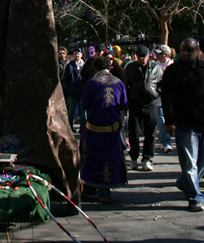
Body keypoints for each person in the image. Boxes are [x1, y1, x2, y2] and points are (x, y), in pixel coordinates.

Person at [161, 37, 204, 212]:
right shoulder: (173, 71)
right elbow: (167, 98)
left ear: (197, 51)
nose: (186, 53)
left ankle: (184, 182)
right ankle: (195, 197)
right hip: (185, 125)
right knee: (189, 163)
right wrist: (169, 122)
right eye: (183, 49)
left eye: (190, 50)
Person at [80, 55, 128, 203]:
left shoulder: (91, 83)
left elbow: (84, 104)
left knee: (90, 158)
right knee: (109, 159)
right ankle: (105, 193)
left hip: (93, 129)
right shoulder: (119, 83)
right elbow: (124, 106)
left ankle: (89, 187)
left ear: (95, 68)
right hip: (112, 130)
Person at [124, 44, 164, 171]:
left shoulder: (156, 68)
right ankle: (134, 157)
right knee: (134, 132)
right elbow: (124, 85)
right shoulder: (130, 68)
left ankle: (147, 158)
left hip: (150, 103)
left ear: (149, 56)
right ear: (136, 56)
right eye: (140, 56)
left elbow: (161, 84)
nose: (142, 59)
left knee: (150, 132)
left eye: (144, 56)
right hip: (135, 102)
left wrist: (156, 93)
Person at [153, 44, 173, 152]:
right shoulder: (154, 66)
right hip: (159, 99)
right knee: (161, 120)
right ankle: (165, 142)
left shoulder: (173, 65)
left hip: (172, 99)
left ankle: (164, 139)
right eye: (157, 54)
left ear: (166, 55)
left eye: (160, 54)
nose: (157, 56)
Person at [61, 48, 85, 132]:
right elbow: (65, 79)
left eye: (78, 53)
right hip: (71, 94)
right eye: (75, 53)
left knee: (83, 113)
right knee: (70, 112)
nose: (77, 55)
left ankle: (83, 129)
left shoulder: (84, 65)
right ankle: (70, 129)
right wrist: (70, 89)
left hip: (82, 93)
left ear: (81, 55)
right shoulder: (69, 65)